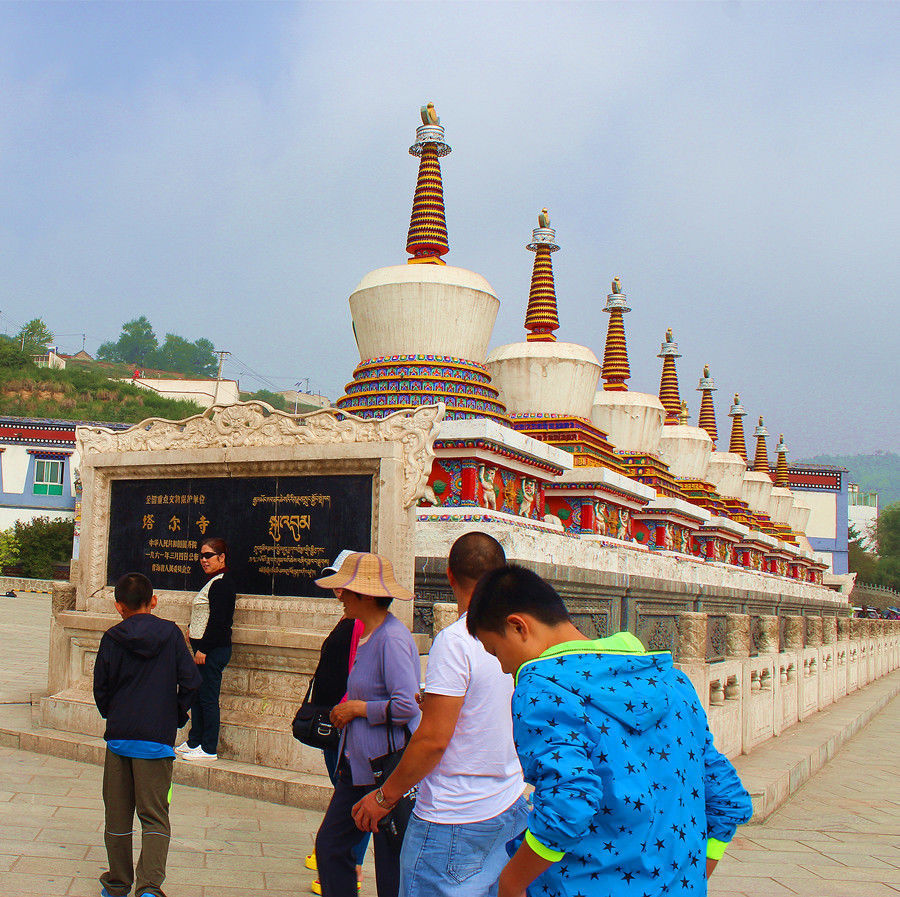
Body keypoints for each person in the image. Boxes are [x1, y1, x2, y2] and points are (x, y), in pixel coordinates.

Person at [465, 564, 754, 897]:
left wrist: (511, 883)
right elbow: (727, 799)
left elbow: (568, 803)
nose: (503, 667)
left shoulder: (542, 687)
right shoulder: (674, 683)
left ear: (518, 627)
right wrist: (690, 881)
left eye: (495, 651)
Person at [352, 532, 529, 897]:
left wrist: (385, 797)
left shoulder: (457, 639)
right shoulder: (519, 634)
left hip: (453, 819)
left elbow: (433, 740)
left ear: (449, 575)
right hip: (509, 803)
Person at [313, 552, 421, 897]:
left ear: (366, 596)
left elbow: (406, 705)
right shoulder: (365, 634)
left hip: (384, 767)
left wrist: (359, 709)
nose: (340, 596)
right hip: (355, 766)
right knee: (330, 847)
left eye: (346, 590)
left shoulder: (392, 638)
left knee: (390, 862)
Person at [93, 572, 201, 897]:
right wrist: (175, 715)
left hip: (120, 737)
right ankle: (150, 887)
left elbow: (101, 688)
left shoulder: (111, 637)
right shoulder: (170, 634)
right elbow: (192, 682)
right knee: (154, 816)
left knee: (117, 814)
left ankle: (117, 883)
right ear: (153, 601)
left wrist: (115, 714)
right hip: (156, 740)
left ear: (118, 606)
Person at [305, 549, 371, 894]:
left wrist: (350, 710)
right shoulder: (349, 620)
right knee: (345, 791)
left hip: (348, 725)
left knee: (354, 796)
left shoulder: (367, 627)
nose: (337, 589)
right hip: (334, 722)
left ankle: (353, 866)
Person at [176, 537, 236, 762]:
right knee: (199, 697)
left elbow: (220, 621)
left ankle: (209, 747)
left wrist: (204, 649)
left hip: (212, 651)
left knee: (208, 699)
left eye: (208, 555)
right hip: (203, 650)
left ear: (221, 557)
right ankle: (195, 742)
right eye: (201, 555)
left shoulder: (222, 583)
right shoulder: (213, 581)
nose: (203, 560)